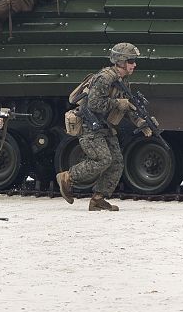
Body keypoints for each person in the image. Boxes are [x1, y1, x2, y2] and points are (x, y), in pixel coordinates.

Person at [57, 42, 154, 211]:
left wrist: (141, 122)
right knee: (103, 160)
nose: (134, 64)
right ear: (121, 61)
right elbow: (94, 104)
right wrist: (118, 103)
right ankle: (67, 177)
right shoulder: (105, 78)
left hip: (105, 127)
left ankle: (98, 199)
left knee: (116, 163)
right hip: (90, 125)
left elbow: (128, 106)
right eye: (131, 61)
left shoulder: (122, 81)